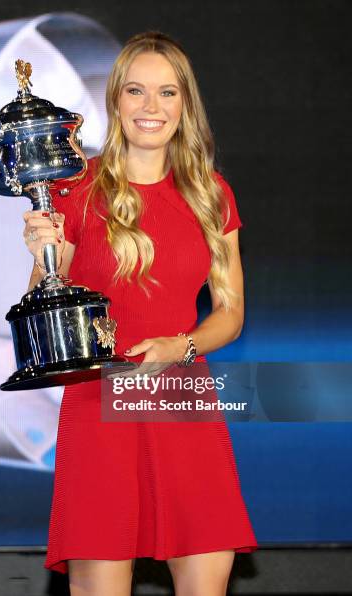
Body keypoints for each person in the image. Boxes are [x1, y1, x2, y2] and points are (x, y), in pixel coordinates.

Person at [23, 31, 258, 596]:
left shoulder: (211, 194)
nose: (151, 107)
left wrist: (180, 346)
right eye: (136, 91)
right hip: (98, 400)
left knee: (207, 578)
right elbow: (43, 306)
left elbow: (229, 314)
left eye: (167, 93)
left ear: (185, 105)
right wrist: (41, 258)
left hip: (182, 399)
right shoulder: (75, 188)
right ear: (116, 100)